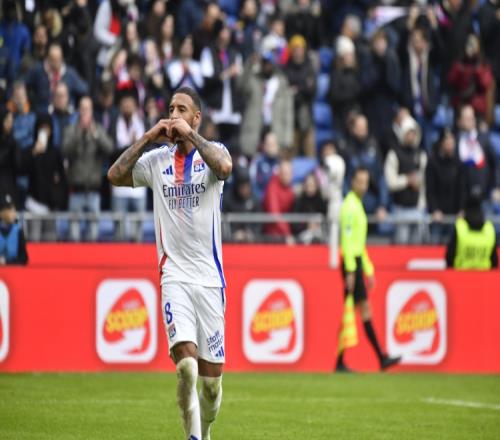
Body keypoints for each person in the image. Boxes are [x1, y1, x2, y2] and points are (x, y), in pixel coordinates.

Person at [107, 86, 232, 440]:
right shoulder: (156, 161)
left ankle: (205, 431)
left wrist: (192, 135)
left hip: (210, 282)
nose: (173, 114)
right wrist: (148, 137)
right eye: (171, 108)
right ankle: (193, 437)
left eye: (182, 109)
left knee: (211, 388)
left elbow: (225, 168)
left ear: (196, 117)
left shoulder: (214, 153)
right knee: (187, 367)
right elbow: (114, 175)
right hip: (174, 277)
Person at [336, 167, 400, 372]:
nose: (363, 186)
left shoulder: (357, 205)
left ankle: (344, 360)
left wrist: (368, 269)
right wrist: (351, 270)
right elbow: (347, 242)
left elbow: (359, 244)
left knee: (354, 311)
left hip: (356, 263)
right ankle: (379, 358)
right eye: (360, 182)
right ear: (352, 182)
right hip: (351, 263)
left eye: (365, 182)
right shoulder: (349, 206)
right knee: (360, 310)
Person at [446, 193, 498, 270]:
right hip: (484, 275)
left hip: (460, 274)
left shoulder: (460, 227)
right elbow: (494, 260)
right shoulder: (489, 228)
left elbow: (450, 257)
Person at [0, 192, 28, 265]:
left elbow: (24, 258)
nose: (13, 214)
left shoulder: (18, 231)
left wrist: (7, 262)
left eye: (14, 210)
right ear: (1, 213)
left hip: (13, 270)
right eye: (9, 210)